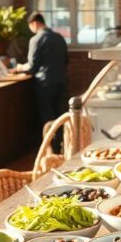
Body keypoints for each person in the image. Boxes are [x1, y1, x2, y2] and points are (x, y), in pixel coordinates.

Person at [20, 13, 69, 151]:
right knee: (60, 114)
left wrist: (19, 68)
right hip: (61, 81)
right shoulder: (59, 37)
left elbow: (32, 67)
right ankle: (62, 145)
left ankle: (51, 148)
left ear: (34, 23)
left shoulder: (36, 39)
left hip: (45, 83)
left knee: (47, 115)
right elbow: (66, 60)